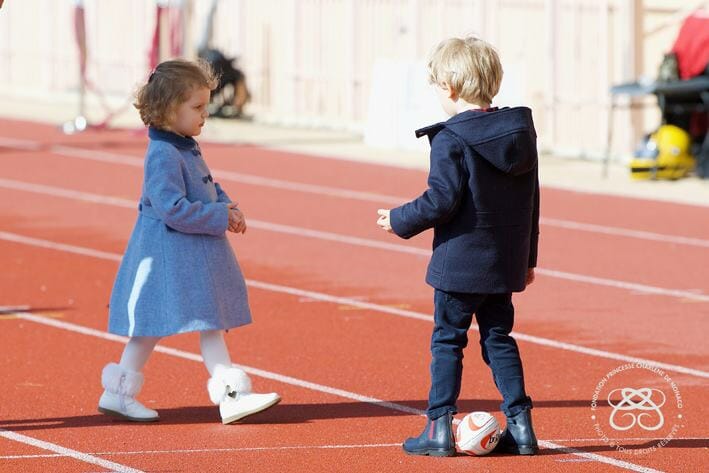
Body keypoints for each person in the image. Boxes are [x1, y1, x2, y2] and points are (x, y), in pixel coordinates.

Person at [376, 36, 540, 456]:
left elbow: (441, 200)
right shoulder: (519, 133)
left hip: (460, 262)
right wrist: (528, 259)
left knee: (448, 341)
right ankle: (521, 427)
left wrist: (398, 219)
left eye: (434, 85)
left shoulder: (452, 137)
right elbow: (532, 201)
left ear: (449, 86)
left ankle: (438, 428)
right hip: (503, 262)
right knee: (499, 338)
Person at [98, 59, 279, 424]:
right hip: (165, 255)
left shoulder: (183, 145)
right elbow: (172, 208)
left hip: (183, 254)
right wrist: (217, 216)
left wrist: (226, 206)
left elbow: (205, 185)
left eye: (205, 106)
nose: (205, 114)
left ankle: (122, 392)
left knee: (200, 319)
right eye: (197, 107)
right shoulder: (163, 154)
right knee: (156, 324)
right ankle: (227, 394)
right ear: (168, 110)